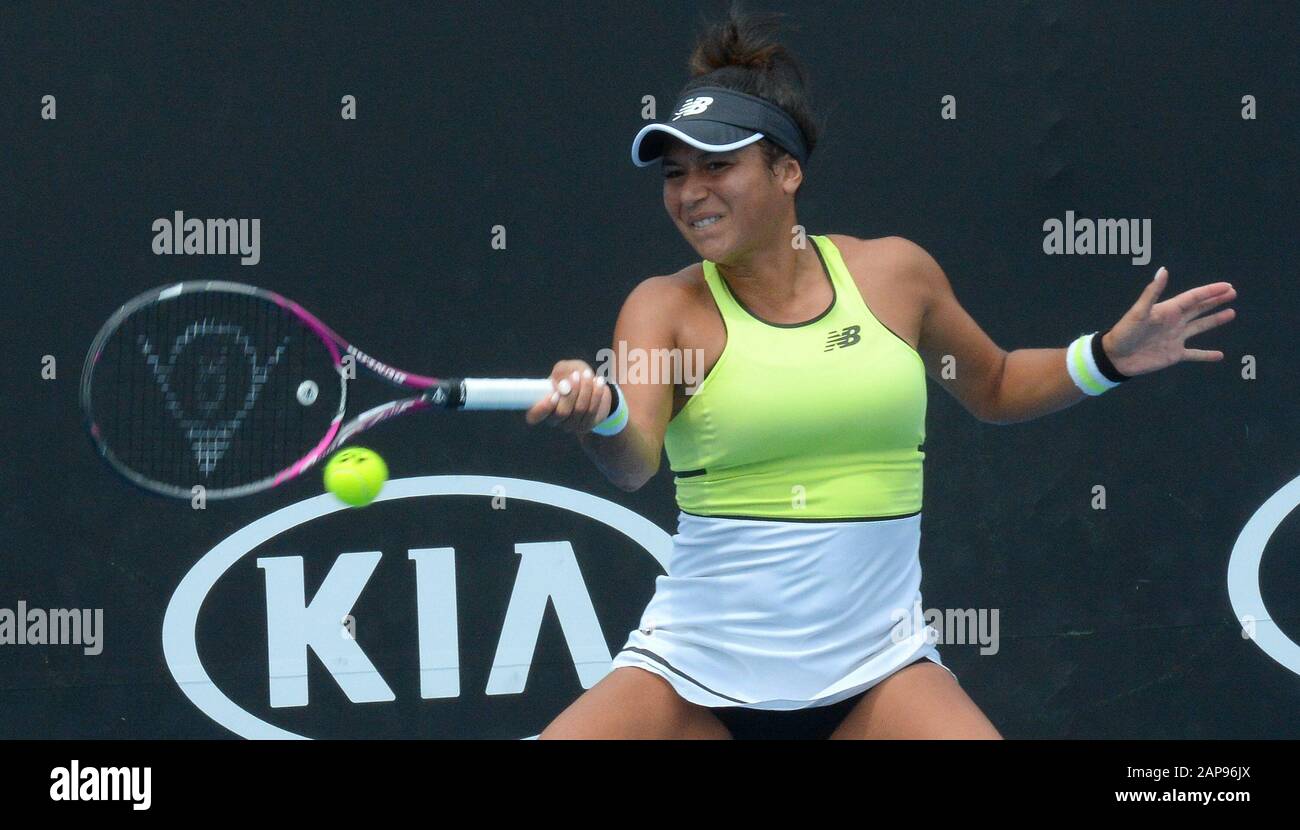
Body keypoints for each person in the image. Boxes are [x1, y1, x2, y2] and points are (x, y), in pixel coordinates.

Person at [526, 7, 1237, 739]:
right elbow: (633, 463)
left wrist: (1108, 357)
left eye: (718, 164)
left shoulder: (897, 274)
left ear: (787, 170)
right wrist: (601, 418)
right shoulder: (662, 307)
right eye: (675, 174)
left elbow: (991, 385)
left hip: (877, 678)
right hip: (693, 686)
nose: (690, 192)